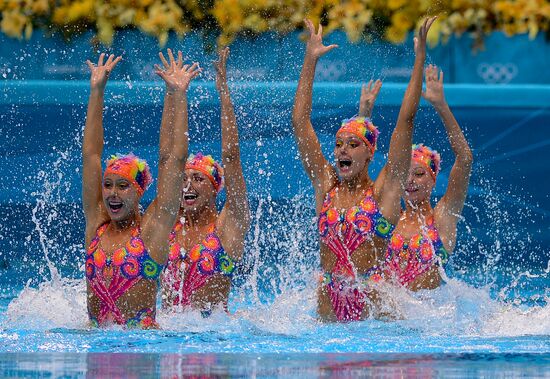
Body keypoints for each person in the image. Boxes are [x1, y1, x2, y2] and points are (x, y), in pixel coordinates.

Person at [292, 17, 436, 322]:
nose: (342, 149)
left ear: (370, 153)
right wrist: (310, 60)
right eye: (339, 143)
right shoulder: (326, 186)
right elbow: (300, 124)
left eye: (353, 144)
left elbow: (405, 123)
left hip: (375, 315)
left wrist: (420, 58)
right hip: (327, 310)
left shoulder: (383, 193)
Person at [83, 50, 200, 327]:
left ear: (139, 192)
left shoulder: (151, 231)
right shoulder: (96, 224)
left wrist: (178, 97)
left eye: (123, 186)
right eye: (108, 185)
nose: (112, 192)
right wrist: (97, 90)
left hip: (141, 347)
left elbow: (173, 159)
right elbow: (91, 155)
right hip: (95, 349)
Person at [161, 47, 250, 315]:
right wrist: (173, 93)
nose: (187, 185)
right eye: (184, 179)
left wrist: (223, 91)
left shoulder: (227, 226)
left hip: (214, 336)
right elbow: (167, 159)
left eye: (198, 179)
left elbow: (231, 157)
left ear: (214, 189)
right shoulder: (168, 223)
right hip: (168, 336)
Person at [383, 64, 473, 290]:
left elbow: (465, 159)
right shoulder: (389, 217)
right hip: (389, 318)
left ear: (433, 180)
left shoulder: (442, 217)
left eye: (419, 174)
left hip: (429, 316)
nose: (409, 181)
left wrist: (441, 106)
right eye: (406, 174)